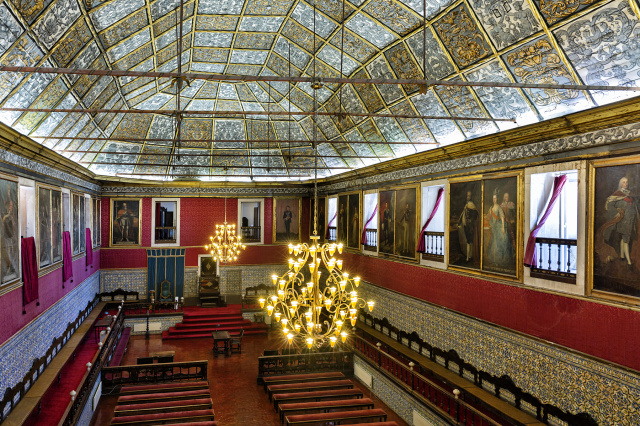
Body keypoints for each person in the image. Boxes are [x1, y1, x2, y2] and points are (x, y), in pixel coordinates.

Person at [604, 177, 639, 268]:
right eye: (623, 182)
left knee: (624, 238)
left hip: (630, 220)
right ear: (621, 184)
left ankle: (622, 257)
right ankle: (629, 262)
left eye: (626, 182)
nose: (625, 184)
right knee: (626, 239)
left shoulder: (630, 194)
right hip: (622, 221)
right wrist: (617, 211)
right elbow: (609, 205)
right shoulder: (617, 194)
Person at [485, 190, 512, 266]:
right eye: (493, 198)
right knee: (494, 242)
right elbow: (488, 217)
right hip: (494, 227)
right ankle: (494, 259)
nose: (494, 200)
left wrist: (503, 227)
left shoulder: (499, 207)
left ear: (497, 199)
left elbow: (502, 217)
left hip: (499, 226)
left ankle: (499, 260)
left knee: (499, 242)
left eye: (495, 198)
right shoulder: (491, 208)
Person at [458, 191, 479, 263]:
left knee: (470, 241)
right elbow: (463, 214)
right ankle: (468, 256)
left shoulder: (471, 204)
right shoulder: (466, 204)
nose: (468, 197)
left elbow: (475, 214)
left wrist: (470, 220)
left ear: (471, 197)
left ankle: (469, 256)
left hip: (470, 226)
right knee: (468, 241)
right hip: (466, 225)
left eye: (469, 196)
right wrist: (459, 223)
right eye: (467, 196)